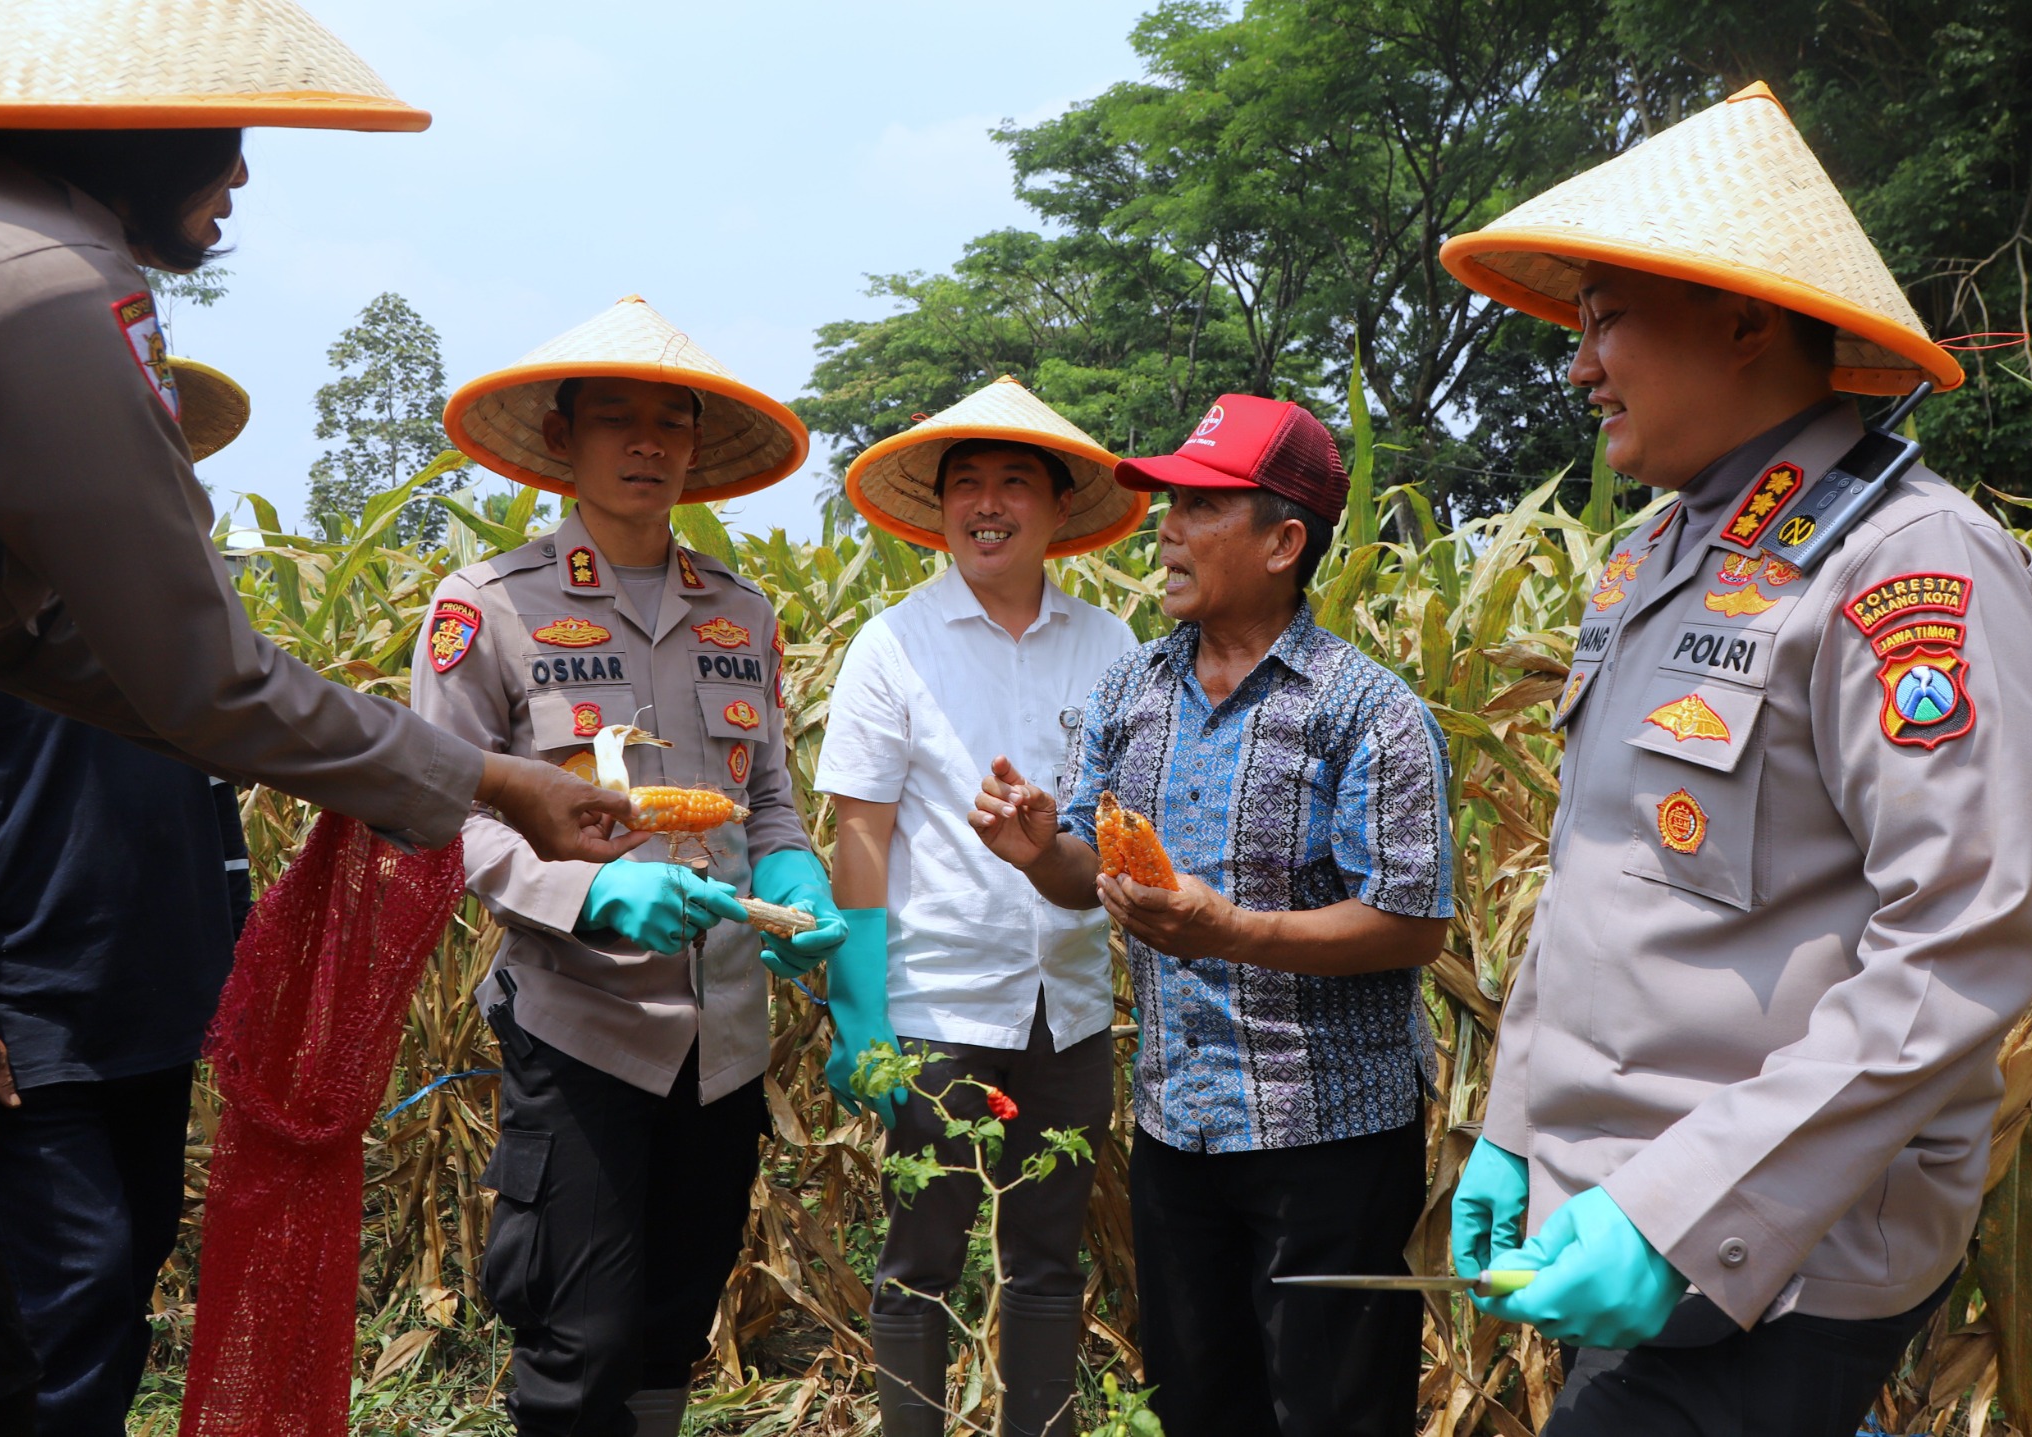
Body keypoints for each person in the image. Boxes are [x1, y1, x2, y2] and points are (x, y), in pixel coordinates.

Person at [0, 10, 631, 1431]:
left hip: (128, 1006)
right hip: (33, 1011)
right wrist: (493, 782)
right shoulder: (40, 283)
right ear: (123, 129)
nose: (240, 179)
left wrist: (470, 773)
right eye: (226, 135)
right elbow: (204, 681)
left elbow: (58, 647)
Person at [1436, 83, 2032, 1435]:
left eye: (1605, 321)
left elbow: (1960, 940)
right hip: (1620, 1212)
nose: (1577, 364)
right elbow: (1600, 872)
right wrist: (1515, 1120)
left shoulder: (1907, 564)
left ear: (1742, 320)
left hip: (1776, 1249)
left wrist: (1676, 1220)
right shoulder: (1665, 556)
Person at [971, 395, 1456, 1437]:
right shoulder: (1130, 690)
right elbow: (1081, 875)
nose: (1167, 528)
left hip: (1329, 1136)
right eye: (1166, 504)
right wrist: (1038, 852)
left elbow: (1414, 925)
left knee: (1333, 1414)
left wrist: (1235, 931)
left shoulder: (1366, 713)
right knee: (1195, 1407)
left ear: (1284, 542)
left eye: (1198, 506)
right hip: (1177, 1127)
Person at [416, 296, 847, 1437]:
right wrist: (594, 889)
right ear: (562, 441)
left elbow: (766, 800)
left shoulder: (742, 613)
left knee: (671, 1328)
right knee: (581, 1338)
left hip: (723, 1038)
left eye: (672, 421)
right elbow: (447, 811)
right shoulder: (489, 609)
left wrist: (795, 878)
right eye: (617, 420)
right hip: (581, 1021)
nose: (649, 443)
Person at [0, 362, 253, 1437]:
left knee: (127, 1272)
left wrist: (239, 977)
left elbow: (217, 802)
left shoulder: (180, 615)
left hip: (151, 1013)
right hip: (20, 1025)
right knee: (69, 1289)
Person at [818, 377, 1146, 1437]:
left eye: (1014, 482)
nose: (988, 503)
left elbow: (1125, 827)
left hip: (1072, 1005)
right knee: (921, 1255)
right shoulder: (893, 643)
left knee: (1048, 1252)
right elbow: (860, 831)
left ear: (1058, 512)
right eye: (967, 484)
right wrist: (858, 1007)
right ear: (941, 509)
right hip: (937, 1004)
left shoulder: (1110, 649)